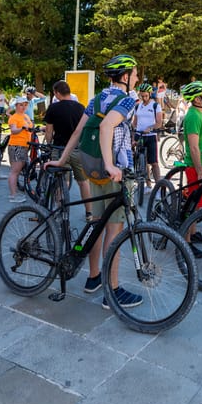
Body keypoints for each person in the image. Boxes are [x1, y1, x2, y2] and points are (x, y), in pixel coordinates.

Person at [48, 54, 142, 309]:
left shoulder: (98, 98)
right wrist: (111, 164)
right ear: (125, 77)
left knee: (96, 224)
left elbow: (78, 131)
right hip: (113, 172)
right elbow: (106, 127)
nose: (136, 78)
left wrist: (61, 160)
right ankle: (112, 292)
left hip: (92, 169)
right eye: (134, 74)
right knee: (114, 229)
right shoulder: (127, 100)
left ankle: (93, 278)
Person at [43, 80, 92, 220]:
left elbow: (49, 130)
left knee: (61, 182)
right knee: (83, 182)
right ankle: (89, 213)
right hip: (78, 149)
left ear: (57, 93)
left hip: (59, 149)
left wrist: (48, 143)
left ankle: (60, 210)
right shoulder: (81, 107)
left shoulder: (53, 108)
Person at [180, 81, 202, 243]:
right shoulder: (193, 116)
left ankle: (192, 233)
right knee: (193, 206)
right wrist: (200, 171)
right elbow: (193, 148)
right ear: (198, 99)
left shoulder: (201, 113)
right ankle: (186, 242)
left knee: (198, 204)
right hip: (196, 167)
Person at [131, 83, 162, 188]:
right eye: (142, 96)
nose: (144, 98)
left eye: (146, 96)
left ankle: (158, 187)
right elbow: (134, 122)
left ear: (150, 94)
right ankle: (148, 186)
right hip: (139, 135)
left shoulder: (155, 106)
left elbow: (159, 122)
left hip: (150, 135)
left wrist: (150, 128)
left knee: (154, 162)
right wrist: (133, 136)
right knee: (143, 163)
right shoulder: (137, 106)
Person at [6, 97, 33, 203]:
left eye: (25, 105)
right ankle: (13, 195)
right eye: (21, 105)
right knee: (15, 171)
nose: (23, 107)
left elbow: (30, 127)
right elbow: (13, 130)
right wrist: (22, 128)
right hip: (16, 146)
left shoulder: (26, 116)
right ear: (16, 106)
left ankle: (16, 192)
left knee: (20, 170)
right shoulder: (14, 117)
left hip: (25, 146)